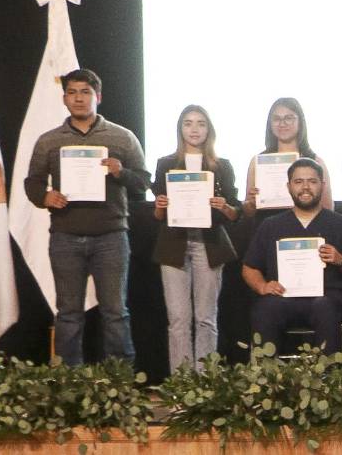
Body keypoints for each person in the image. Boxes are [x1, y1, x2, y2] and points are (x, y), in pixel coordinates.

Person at [23, 68, 151, 365]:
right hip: (65, 236)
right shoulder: (49, 141)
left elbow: (143, 182)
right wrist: (44, 197)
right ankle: (70, 380)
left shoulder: (122, 137)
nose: (78, 98)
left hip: (111, 237)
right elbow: (33, 183)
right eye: (72, 92)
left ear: (98, 97)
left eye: (85, 92)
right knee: (68, 313)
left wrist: (121, 172)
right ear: (64, 99)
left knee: (115, 312)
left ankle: (119, 378)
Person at [151, 105, 240, 371]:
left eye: (201, 123)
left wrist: (223, 206)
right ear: (180, 129)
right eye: (188, 123)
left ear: (209, 129)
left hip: (209, 244)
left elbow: (235, 213)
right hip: (173, 243)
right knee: (178, 319)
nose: (194, 129)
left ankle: (206, 381)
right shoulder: (166, 163)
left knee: (206, 318)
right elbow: (158, 215)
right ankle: (182, 384)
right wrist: (160, 206)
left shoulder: (222, 166)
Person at [242, 158, 342, 353]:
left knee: (325, 308)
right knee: (265, 308)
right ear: (288, 186)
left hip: (327, 298)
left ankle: (328, 371)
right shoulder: (271, 225)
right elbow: (249, 267)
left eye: (312, 181)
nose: (305, 187)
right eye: (298, 182)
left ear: (322, 185)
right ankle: (266, 371)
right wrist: (262, 286)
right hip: (282, 297)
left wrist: (341, 260)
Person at [242, 97, 330, 221]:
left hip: (307, 228)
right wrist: (251, 203)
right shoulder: (257, 162)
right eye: (276, 119)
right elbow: (248, 213)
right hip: (267, 227)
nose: (282, 124)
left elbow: (328, 208)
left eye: (289, 118)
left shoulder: (316, 162)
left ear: (300, 121)